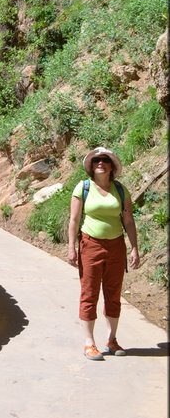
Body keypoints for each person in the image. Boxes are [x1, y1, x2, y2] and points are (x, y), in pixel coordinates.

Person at [67, 146, 140, 360]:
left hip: (116, 245)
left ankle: (112, 339)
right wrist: (72, 247)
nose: (100, 163)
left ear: (111, 166)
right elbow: (73, 219)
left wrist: (135, 247)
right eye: (97, 160)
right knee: (89, 293)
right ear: (91, 165)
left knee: (113, 293)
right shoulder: (83, 187)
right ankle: (89, 343)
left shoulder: (120, 190)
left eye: (105, 160)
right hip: (90, 244)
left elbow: (128, 220)